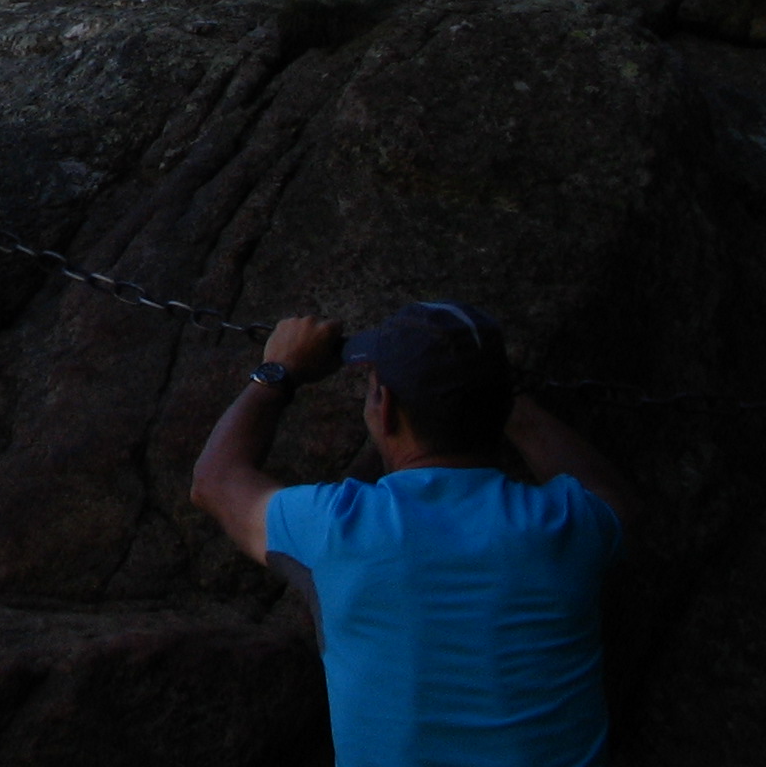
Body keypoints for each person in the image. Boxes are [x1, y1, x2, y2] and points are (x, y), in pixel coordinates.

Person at [191, 303, 635, 767]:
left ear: (384, 411)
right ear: (499, 407)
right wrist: (508, 402)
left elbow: (216, 480)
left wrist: (278, 370)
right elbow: (609, 493)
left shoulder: (339, 527)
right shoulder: (567, 525)